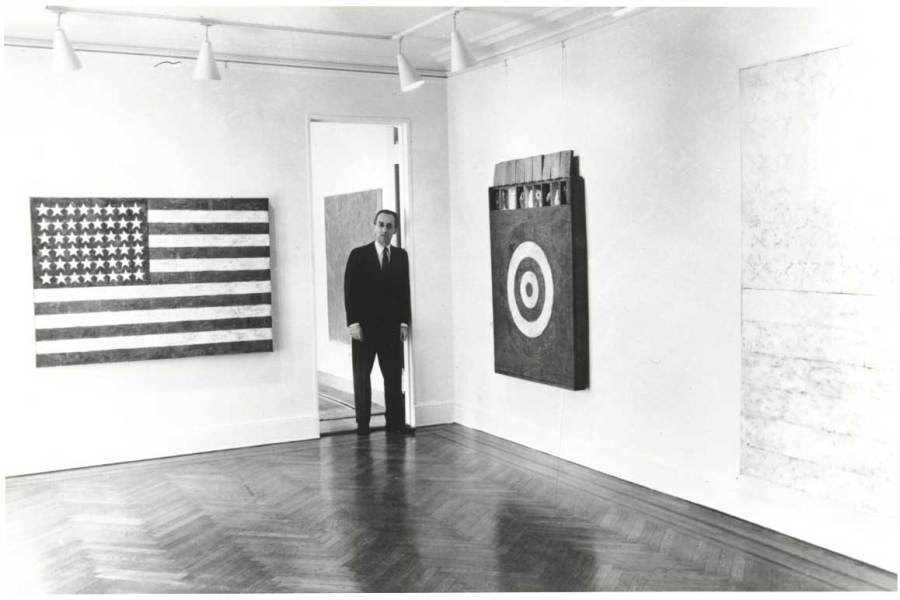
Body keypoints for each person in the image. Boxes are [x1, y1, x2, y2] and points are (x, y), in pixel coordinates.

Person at [344, 209, 413, 435]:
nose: (384, 230)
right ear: (374, 227)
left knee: (393, 377)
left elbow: (405, 292)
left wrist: (404, 323)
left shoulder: (401, 256)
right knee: (362, 376)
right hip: (364, 329)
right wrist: (353, 323)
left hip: (391, 330)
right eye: (381, 225)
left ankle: (394, 422)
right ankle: (362, 423)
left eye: (389, 226)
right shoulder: (358, 255)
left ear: (395, 230)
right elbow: (349, 290)